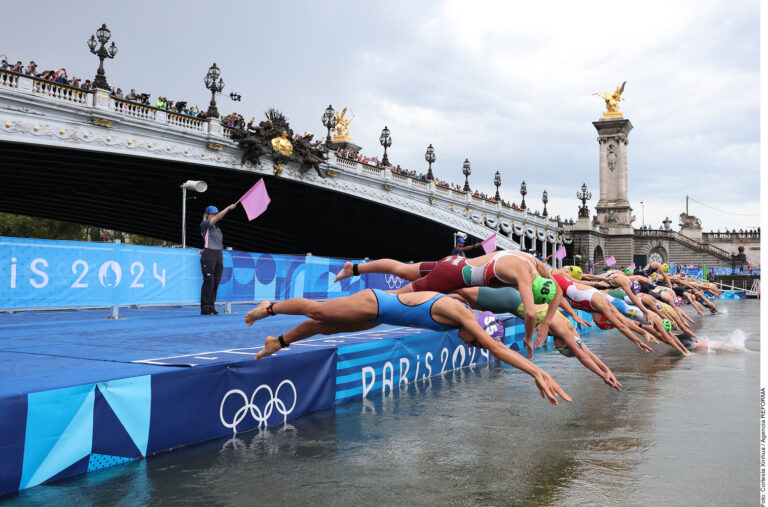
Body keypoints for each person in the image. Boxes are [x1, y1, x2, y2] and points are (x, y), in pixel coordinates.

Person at [244, 289, 572, 405]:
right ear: (477, 329)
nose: (469, 346)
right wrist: (536, 371)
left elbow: (492, 347)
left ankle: (279, 341)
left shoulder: (463, 317)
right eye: (475, 344)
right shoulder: (462, 314)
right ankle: (269, 307)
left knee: (325, 328)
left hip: (379, 315)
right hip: (375, 302)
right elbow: (498, 349)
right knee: (319, 311)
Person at [333, 250, 562, 359]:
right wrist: (529, 339)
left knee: (401, 269)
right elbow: (530, 312)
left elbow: (558, 288)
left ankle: (352, 268)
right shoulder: (523, 275)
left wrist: (549, 318)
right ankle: (348, 307)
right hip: (452, 277)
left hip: (452, 263)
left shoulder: (534, 263)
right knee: (393, 301)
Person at [200, 203, 237, 315]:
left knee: (216, 282)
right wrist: (228, 208)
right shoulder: (204, 224)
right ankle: (205, 308)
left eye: (216, 213)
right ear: (207, 215)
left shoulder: (217, 228)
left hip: (218, 254)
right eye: (213, 214)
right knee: (209, 281)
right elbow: (219, 218)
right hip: (209, 254)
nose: (215, 215)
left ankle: (211, 306)